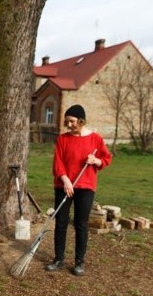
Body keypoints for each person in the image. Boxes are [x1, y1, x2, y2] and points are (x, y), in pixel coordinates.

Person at [45, 104, 111, 276]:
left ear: (81, 121)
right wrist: (65, 179)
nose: (69, 125)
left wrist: (96, 161)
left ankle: (79, 262)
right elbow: (58, 162)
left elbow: (106, 158)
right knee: (61, 223)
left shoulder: (95, 139)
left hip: (85, 187)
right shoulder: (62, 139)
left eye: (72, 121)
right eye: (66, 122)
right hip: (64, 185)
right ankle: (58, 259)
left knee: (81, 225)